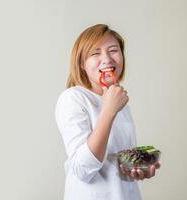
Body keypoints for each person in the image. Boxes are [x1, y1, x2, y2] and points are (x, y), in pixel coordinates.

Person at [55, 24, 160, 200]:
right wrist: (109, 110)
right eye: (95, 53)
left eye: (113, 50)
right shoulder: (73, 98)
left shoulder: (120, 102)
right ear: (82, 63)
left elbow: (116, 164)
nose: (107, 59)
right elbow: (82, 169)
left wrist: (136, 170)